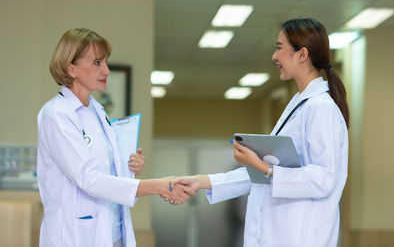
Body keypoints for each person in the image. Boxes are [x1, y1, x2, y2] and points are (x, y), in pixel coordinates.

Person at [174, 18, 349, 247]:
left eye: (279, 48)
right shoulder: (299, 105)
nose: (274, 56)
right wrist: (202, 181)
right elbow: (263, 176)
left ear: (302, 54)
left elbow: (323, 179)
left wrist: (264, 168)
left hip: (301, 238)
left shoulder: (321, 108)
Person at [37, 28, 194, 247]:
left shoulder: (97, 111)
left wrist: (127, 166)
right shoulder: (56, 115)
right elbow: (88, 178)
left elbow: (105, 170)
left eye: (106, 62)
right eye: (97, 63)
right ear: (71, 68)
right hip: (76, 236)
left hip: (112, 231)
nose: (107, 71)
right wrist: (158, 186)